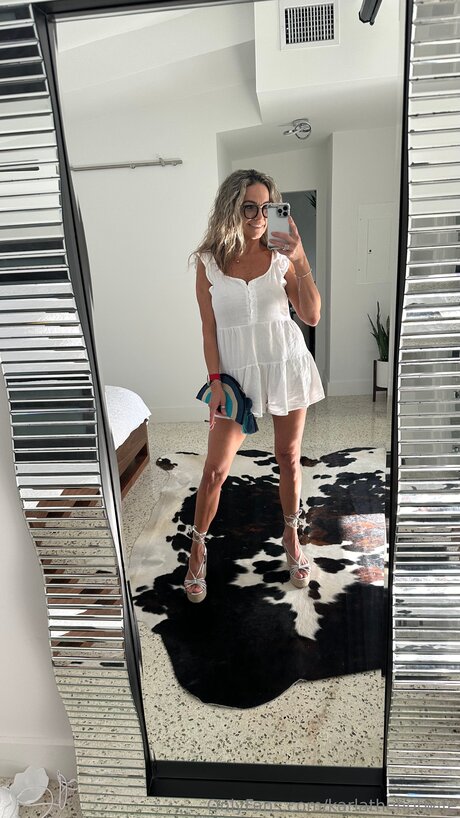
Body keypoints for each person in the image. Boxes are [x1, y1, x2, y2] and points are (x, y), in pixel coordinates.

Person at [185, 169, 324, 603]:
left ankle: (291, 536)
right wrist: (214, 381)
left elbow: (311, 315)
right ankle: (197, 548)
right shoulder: (209, 262)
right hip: (234, 377)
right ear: (231, 208)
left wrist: (300, 258)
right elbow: (209, 330)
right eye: (249, 207)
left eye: (267, 208)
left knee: (288, 457)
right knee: (215, 470)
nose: (259, 217)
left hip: (285, 364)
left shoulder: (283, 257)